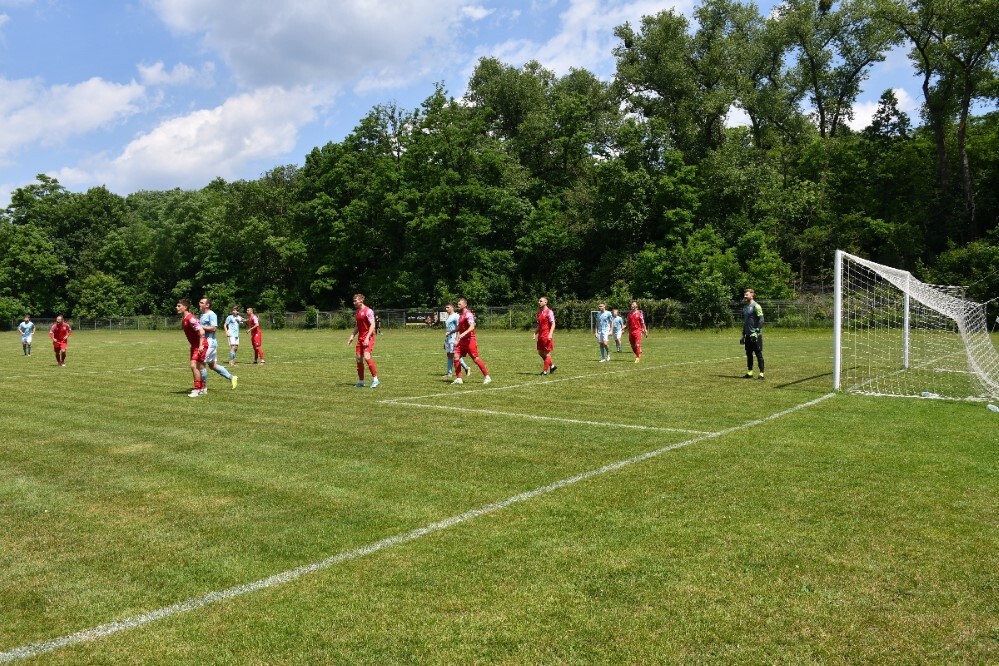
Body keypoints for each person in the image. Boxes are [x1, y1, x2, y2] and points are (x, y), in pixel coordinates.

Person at [198, 297, 238, 393]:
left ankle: (203, 388)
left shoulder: (211, 314)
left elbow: (214, 328)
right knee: (212, 365)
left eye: (202, 302)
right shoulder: (202, 314)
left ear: (207, 305)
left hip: (210, 343)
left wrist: (200, 326)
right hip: (207, 343)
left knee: (201, 363)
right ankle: (232, 378)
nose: (199, 304)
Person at [452, 297, 491, 385]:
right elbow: (460, 327)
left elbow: (472, 326)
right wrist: (451, 332)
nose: (458, 306)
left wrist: (463, 334)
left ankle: (487, 376)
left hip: (470, 340)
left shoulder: (468, 314)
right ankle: (459, 378)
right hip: (462, 341)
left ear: (465, 305)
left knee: (475, 359)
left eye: (459, 304)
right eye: (457, 304)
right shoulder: (461, 315)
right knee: (456, 356)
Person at [347, 293, 380, 388]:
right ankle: (361, 381)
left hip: (368, 337)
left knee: (366, 356)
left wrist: (367, 337)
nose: (354, 302)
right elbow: (357, 326)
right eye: (353, 301)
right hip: (360, 337)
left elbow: (373, 325)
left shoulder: (368, 311)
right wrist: (352, 336)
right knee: (358, 359)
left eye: (355, 301)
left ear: (361, 300)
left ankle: (375, 379)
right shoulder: (357, 312)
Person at [176, 299, 207, 397]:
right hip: (194, 345)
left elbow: (201, 331)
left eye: (179, 306)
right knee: (197, 366)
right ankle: (202, 388)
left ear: (185, 307)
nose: (177, 308)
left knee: (194, 366)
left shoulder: (190, 318)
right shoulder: (184, 318)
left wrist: (201, 345)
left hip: (200, 345)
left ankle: (197, 390)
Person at [741, 288, 765, 380]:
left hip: (756, 336)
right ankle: (749, 372)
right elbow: (746, 322)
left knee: (758, 354)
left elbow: (762, 320)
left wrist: (757, 331)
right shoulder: (745, 307)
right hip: (747, 336)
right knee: (749, 354)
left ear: (752, 295)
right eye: (744, 295)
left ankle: (761, 374)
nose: (745, 296)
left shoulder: (756, 306)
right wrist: (743, 335)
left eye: (746, 295)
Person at [443, 302, 470, 379]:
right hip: (448, 339)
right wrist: (445, 341)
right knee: (449, 355)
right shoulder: (448, 317)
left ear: (452, 308)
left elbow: (459, 328)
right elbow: (448, 329)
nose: (446, 309)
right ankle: (450, 372)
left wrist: (457, 339)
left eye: (448, 307)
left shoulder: (456, 316)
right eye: (446, 307)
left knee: (454, 355)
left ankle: (465, 368)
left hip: (453, 338)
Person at [534, 296, 557, 375]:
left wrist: (550, 334)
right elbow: (539, 325)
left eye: (540, 301)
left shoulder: (549, 312)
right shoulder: (539, 313)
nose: (539, 302)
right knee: (540, 352)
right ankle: (552, 365)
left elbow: (553, 324)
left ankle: (544, 371)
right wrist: (535, 333)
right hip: (541, 335)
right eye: (539, 301)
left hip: (547, 335)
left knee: (547, 353)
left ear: (545, 302)